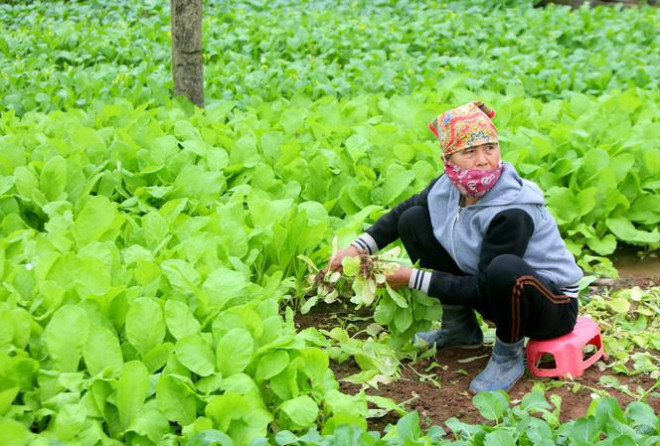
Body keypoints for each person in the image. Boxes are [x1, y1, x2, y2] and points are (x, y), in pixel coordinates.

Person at [329, 101, 582, 393]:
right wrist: (359, 248)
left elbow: (488, 284)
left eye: (490, 147)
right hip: (496, 292)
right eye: (469, 152)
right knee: (414, 220)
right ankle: (459, 327)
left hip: (550, 306)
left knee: (504, 268)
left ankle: (508, 353)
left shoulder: (514, 209)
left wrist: (413, 278)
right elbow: (403, 212)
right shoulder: (449, 188)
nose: (483, 159)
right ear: (448, 159)